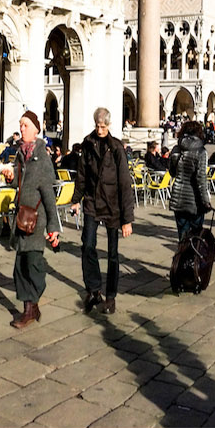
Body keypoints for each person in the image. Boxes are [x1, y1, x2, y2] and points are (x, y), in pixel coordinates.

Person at [71, 108, 137, 314]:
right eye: (98, 126)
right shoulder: (87, 144)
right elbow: (81, 176)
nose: (100, 130)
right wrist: (75, 200)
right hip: (92, 202)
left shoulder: (116, 147)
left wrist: (127, 219)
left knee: (112, 254)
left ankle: (111, 296)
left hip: (113, 206)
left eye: (104, 126)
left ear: (109, 125)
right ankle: (93, 288)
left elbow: (125, 184)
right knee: (87, 245)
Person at [2, 111, 62, 329]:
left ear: (36, 129)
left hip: (36, 221)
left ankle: (32, 304)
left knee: (33, 264)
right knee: (20, 266)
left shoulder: (43, 159)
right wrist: (11, 174)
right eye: (21, 125)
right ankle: (29, 308)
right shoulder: (21, 154)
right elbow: (19, 178)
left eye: (25, 125)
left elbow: (49, 197)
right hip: (21, 218)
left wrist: (53, 228)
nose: (22, 129)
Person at [168, 121, 215, 244]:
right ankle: (193, 262)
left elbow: (172, 172)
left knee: (182, 237)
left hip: (178, 198)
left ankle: (181, 261)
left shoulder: (176, 149)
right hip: (195, 201)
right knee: (196, 237)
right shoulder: (201, 152)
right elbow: (201, 179)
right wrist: (206, 201)